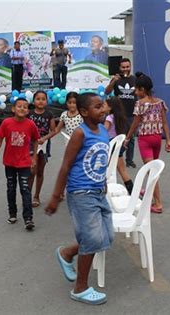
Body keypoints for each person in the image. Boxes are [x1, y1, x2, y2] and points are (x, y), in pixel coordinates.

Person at [45, 93, 111, 305]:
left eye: (103, 106)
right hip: (81, 193)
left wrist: (104, 182)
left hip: (98, 191)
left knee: (106, 237)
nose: (103, 110)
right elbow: (66, 165)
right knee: (92, 241)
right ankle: (80, 289)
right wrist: (56, 196)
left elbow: (99, 160)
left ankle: (66, 253)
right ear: (83, 112)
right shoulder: (79, 134)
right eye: (97, 107)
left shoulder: (102, 130)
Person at [125, 73, 170, 213]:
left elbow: (135, 124)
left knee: (151, 171)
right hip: (157, 138)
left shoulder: (140, 104)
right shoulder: (160, 102)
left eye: (137, 89)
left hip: (145, 139)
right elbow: (165, 123)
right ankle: (150, 191)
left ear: (142, 89)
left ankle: (158, 203)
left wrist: (128, 138)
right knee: (153, 169)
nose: (135, 92)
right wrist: (168, 140)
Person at [0, 98, 39, 230]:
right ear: (13, 109)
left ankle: (28, 218)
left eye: (25, 107)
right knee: (11, 188)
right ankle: (12, 213)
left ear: (28, 110)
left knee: (25, 189)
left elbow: (36, 141)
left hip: (24, 163)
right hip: (10, 162)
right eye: (19, 106)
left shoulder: (30, 124)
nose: (22, 108)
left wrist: (34, 157)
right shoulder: (6, 123)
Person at [104, 58, 137, 168]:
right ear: (119, 68)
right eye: (123, 67)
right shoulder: (116, 79)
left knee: (131, 138)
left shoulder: (134, 79)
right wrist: (113, 81)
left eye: (127, 67)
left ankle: (129, 160)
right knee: (119, 136)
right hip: (119, 114)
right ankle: (117, 156)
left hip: (132, 113)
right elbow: (107, 91)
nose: (125, 69)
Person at [27, 91, 55, 208]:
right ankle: (27, 196)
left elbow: (53, 131)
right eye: (38, 99)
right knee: (31, 171)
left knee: (40, 171)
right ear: (34, 101)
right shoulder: (29, 114)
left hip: (44, 145)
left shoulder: (49, 114)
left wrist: (44, 138)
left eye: (43, 99)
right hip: (30, 144)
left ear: (46, 101)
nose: (40, 101)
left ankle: (36, 196)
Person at [104, 97, 133, 193]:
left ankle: (101, 191)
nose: (103, 107)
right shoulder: (119, 117)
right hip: (118, 145)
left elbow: (104, 131)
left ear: (110, 107)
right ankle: (132, 190)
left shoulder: (109, 118)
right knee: (123, 171)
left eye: (105, 105)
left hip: (111, 146)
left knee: (104, 170)